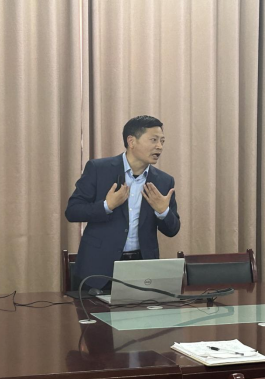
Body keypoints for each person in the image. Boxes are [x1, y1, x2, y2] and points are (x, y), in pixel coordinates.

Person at [65, 115, 181, 290]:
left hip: (142, 268)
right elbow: (73, 211)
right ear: (131, 141)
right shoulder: (98, 169)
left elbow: (172, 230)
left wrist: (163, 212)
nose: (159, 146)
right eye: (153, 140)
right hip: (99, 267)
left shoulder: (164, 181)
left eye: (162, 141)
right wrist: (107, 206)